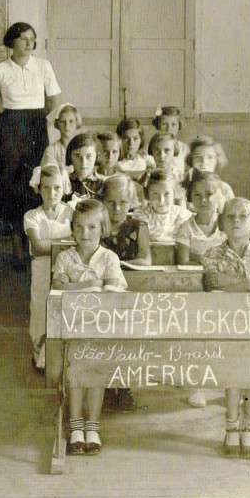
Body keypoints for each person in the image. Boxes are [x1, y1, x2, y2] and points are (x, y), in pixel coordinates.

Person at [201, 198, 250, 458]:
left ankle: (249, 426)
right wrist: (248, 284)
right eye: (230, 216)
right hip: (226, 323)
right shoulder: (212, 254)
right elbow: (213, 283)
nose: (236, 220)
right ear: (221, 222)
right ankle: (231, 427)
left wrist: (233, 284)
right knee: (233, 375)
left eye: (243, 216)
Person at [52, 199, 127, 455]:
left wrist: (95, 288)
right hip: (72, 329)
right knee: (75, 374)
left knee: (95, 374)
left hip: (100, 329)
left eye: (92, 227)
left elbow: (114, 289)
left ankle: (92, 426)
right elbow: (58, 287)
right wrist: (89, 286)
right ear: (72, 228)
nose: (85, 233)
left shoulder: (109, 258)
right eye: (80, 227)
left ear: (102, 228)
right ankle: (75, 427)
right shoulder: (65, 258)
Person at [0, 22, 63, 234]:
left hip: (36, 123)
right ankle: (9, 225)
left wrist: (37, 118)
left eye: (32, 38)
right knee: (8, 173)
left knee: (35, 171)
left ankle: (36, 224)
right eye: (23, 38)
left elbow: (54, 98)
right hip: (9, 125)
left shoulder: (43, 66)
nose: (29, 43)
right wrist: (5, 124)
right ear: (12, 41)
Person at [174, 171, 226, 409]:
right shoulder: (186, 227)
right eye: (197, 195)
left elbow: (233, 257)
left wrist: (201, 257)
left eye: (209, 194)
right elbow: (183, 261)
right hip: (194, 290)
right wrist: (211, 260)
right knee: (198, 336)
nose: (203, 200)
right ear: (190, 199)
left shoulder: (227, 224)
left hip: (223, 289)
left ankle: (230, 385)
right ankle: (198, 386)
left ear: (220, 196)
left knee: (224, 337)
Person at [100, 173, 151, 412]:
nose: (117, 208)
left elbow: (145, 259)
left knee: (128, 339)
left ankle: (125, 388)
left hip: (130, 290)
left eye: (122, 202)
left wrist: (118, 266)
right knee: (105, 338)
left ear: (131, 202)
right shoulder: (97, 224)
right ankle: (107, 386)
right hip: (103, 292)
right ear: (103, 202)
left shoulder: (138, 226)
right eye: (111, 202)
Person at [23, 165, 74, 371]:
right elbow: (37, 246)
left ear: (64, 188)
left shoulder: (72, 212)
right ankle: (40, 354)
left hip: (68, 270)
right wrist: (67, 242)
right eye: (46, 188)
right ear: (38, 188)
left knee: (64, 308)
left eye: (56, 188)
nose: (51, 193)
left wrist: (52, 243)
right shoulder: (32, 216)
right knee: (41, 308)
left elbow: (78, 240)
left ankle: (61, 357)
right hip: (42, 269)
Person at [137, 169, 192, 243]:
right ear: (147, 195)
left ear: (174, 194)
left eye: (167, 194)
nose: (161, 200)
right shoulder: (142, 215)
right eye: (155, 194)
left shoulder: (181, 214)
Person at [184, 136, 234, 206]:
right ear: (191, 160)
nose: (204, 162)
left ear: (217, 160)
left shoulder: (224, 188)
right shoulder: (183, 187)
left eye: (210, 157)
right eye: (198, 157)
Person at [65, 132, 104, 202]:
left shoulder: (102, 184)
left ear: (96, 156)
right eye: (77, 156)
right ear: (70, 157)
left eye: (88, 156)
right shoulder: (64, 181)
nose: (83, 162)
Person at [152, 106, 189, 176]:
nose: (169, 129)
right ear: (158, 125)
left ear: (179, 126)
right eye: (164, 124)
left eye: (173, 124)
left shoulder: (184, 149)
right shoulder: (152, 148)